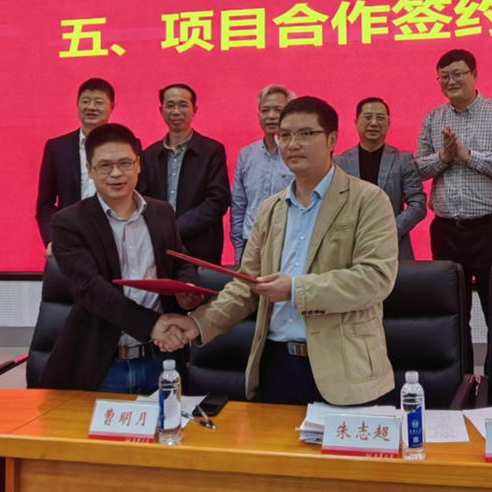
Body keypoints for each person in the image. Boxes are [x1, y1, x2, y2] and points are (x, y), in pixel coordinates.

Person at [159, 97, 399, 406]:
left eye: (305, 134)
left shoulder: (368, 200)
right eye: (284, 135)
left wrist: (296, 290)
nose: (292, 144)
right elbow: (247, 285)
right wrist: (198, 323)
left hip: (343, 369)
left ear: (332, 140)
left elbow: (375, 279)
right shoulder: (270, 209)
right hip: (276, 365)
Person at [41, 123, 203, 393]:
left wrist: (186, 288)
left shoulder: (161, 212)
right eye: (105, 166)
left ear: (138, 165)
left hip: (159, 359)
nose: (116, 173)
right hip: (101, 364)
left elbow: (179, 259)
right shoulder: (68, 223)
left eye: (125, 163)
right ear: (90, 170)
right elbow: (90, 289)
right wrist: (151, 324)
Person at [415, 49, 492, 321]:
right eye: (444, 77)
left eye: (457, 74)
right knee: (451, 312)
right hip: (446, 229)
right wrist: (443, 157)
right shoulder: (433, 118)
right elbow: (418, 169)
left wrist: (468, 156)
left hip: (490, 228)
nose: (450, 81)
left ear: (474, 75)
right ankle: (458, 353)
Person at [138, 83, 231, 264]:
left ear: (194, 110)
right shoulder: (149, 155)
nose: (176, 111)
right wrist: (161, 232)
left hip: (201, 248)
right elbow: (142, 200)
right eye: (170, 105)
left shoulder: (212, 151)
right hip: (160, 247)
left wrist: (176, 229)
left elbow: (218, 201)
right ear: (161, 111)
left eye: (183, 105)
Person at [335, 97, 427, 260]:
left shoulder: (403, 160)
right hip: (351, 247)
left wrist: (390, 230)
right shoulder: (340, 163)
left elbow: (418, 204)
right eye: (368, 117)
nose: (374, 123)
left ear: (389, 124)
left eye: (380, 118)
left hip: (394, 247)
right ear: (356, 122)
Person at [36, 78, 117, 255]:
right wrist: (53, 239)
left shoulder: (127, 145)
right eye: (85, 101)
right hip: (71, 240)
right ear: (77, 104)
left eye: (99, 102)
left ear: (112, 106)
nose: (91, 107)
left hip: (116, 239)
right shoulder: (57, 148)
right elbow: (45, 204)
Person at [230, 84, 295, 264]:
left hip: (287, 242)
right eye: (265, 110)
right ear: (258, 116)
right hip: (251, 242)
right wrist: (239, 251)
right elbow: (239, 206)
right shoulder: (246, 155)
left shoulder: (298, 154)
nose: (271, 116)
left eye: (278, 110)